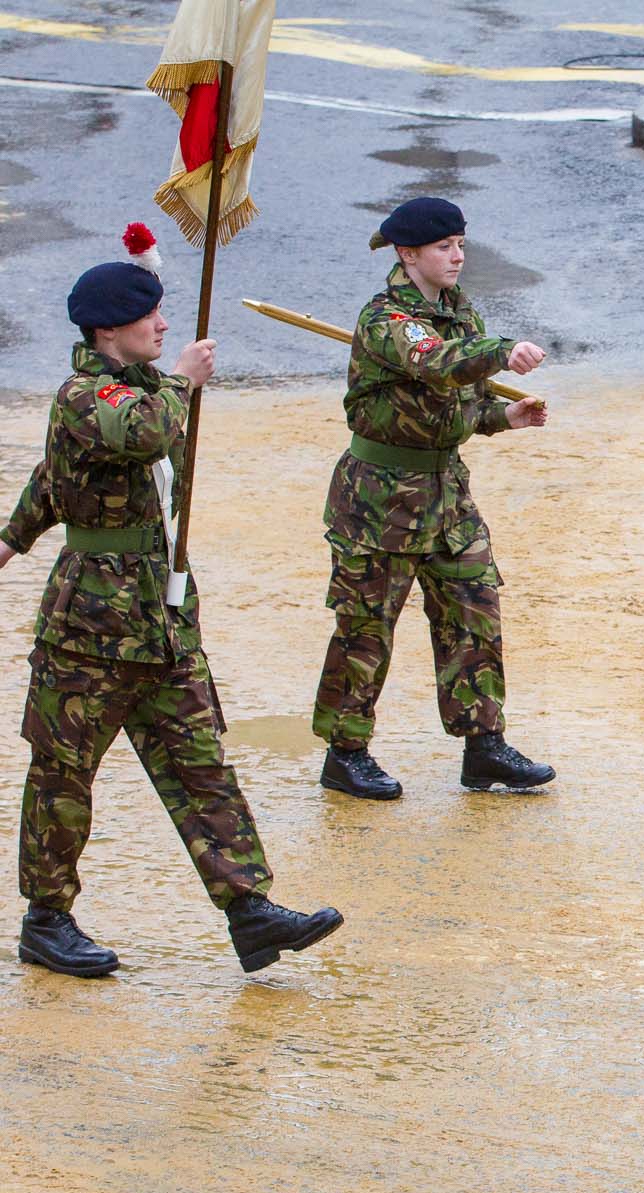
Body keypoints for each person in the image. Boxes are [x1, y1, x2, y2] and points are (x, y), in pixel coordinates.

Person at [1, 237, 343, 977]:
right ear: (105, 331)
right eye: (147, 316)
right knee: (63, 776)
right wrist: (184, 384)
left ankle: (249, 909)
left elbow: (49, 481)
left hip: (159, 620)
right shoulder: (86, 397)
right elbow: (138, 432)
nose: (162, 325)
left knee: (200, 762)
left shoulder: (142, 388)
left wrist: (7, 536)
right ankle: (47, 919)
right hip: (90, 626)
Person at [311, 196, 554, 800]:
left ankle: (484, 747)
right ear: (408, 253)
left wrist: (503, 418)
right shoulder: (386, 318)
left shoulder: (457, 311)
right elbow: (437, 364)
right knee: (366, 629)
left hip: (447, 496)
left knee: (474, 612)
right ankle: (345, 753)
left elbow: (455, 404)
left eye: (461, 244)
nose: (458, 256)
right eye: (444, 247)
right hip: (380, 502)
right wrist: (501, 351)